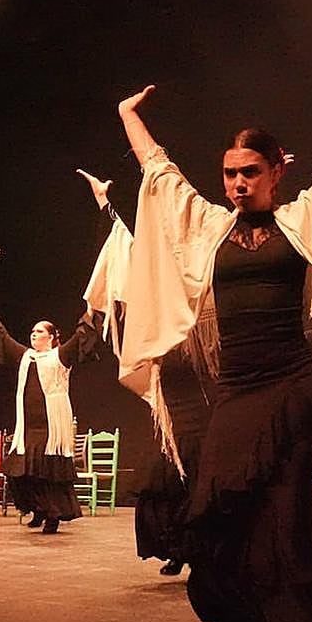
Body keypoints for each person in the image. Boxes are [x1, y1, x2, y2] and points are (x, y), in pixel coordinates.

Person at [114, 38, 312, 622]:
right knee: (223, 508)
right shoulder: (208, 227)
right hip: (237, 390)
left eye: (251, 171)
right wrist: (129, 116)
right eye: (229, 173)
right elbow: (158, 174)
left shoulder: (301, 221)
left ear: (278, 171)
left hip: (295, 385)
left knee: (284, 510)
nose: (238, 183)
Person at [77, 167, 213, 576]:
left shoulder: (208, 266)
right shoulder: (157, 276)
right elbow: (123, 251)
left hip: (209, 400)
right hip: (172, 399)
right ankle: (177, 549)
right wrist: (104, 203)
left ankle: (204, 553)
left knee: (204, 483)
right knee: (164, 483)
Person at [0, 301, 101, 535]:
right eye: (33, 331)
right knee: (21, 470)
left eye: (40, 331)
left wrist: (90, 312)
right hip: (27, 428)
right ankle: (38, 509)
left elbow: (80, 338)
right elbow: (3, 339)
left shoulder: (60, 356)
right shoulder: (26, 357)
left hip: (50, 427)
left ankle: (53, 515)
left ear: (52, 336)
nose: (33, 334)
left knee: (46, 471)